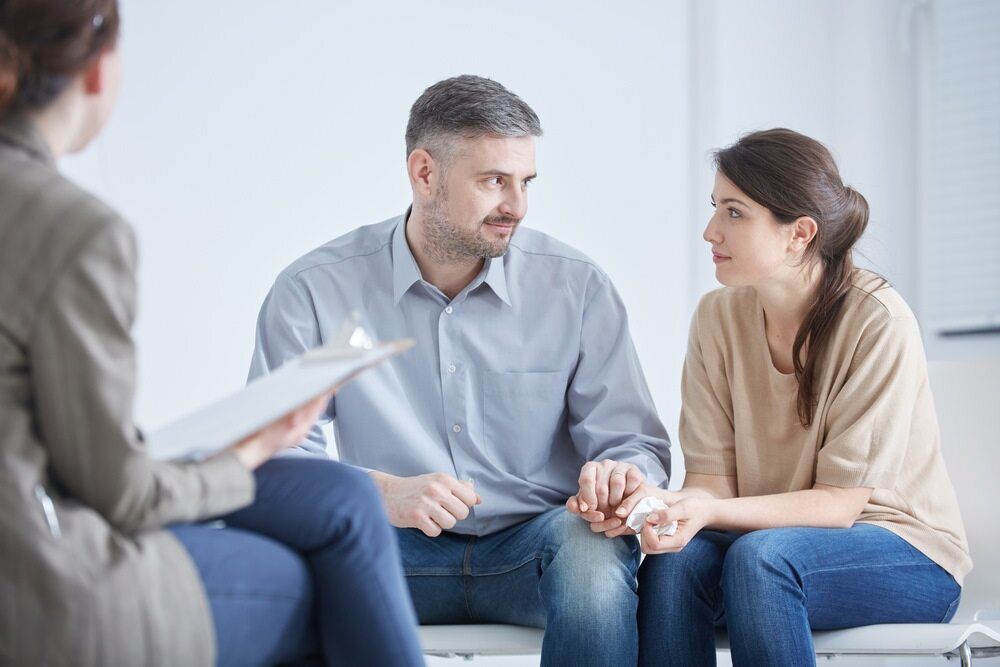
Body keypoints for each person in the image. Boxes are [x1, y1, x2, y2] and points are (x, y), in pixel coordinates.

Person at [0, 2, 423, 665]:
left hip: (52, 510)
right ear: (95, 71)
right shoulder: (71, 229)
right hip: (43, 581)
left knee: (340, 495)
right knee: (314, 579)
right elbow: (123, 493)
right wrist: (240, 456)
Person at [249, 74, 671, 665]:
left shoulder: (576, 287)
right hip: (390, 551)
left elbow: (634, 442)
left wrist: (621, 478)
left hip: (539, 547)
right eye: (494, 181)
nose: (516, 207)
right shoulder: (315, 290)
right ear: (425, 173)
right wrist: (384, 496)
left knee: (593, 557)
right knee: (277, 574)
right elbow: (274, 464)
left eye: (525, 182)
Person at [615, 128, 971, 666]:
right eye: (715, 208)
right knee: (672, 562)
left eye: (734, 213)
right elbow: (713, 485)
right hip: (766, 546)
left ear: (799, 233)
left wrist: (707, 512)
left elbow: (838, 504)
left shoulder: (876, 320)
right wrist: (668, 505)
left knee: (762, 560)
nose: (710, 230)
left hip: (903, 553)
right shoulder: (718, 318)